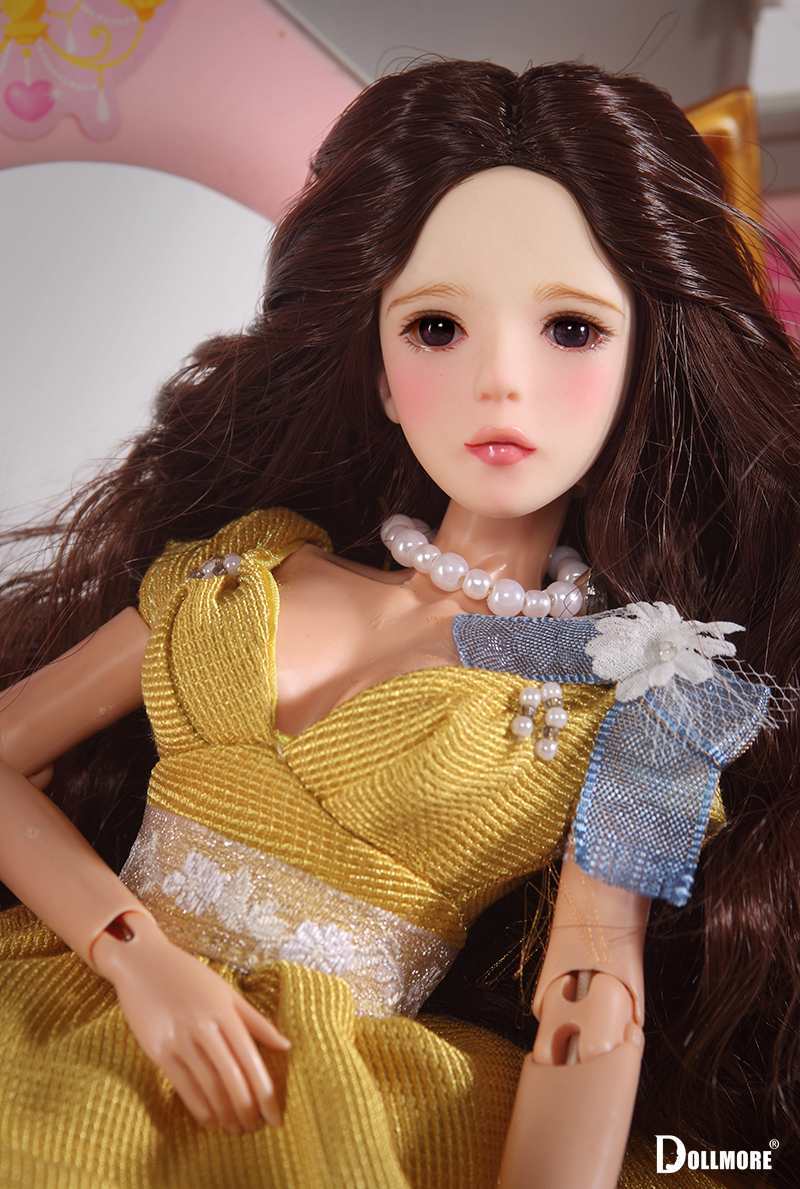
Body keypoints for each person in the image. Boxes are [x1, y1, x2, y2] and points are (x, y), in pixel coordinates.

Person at [0, 56, 798, 1189]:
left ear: (642, 369)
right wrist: (134, 956)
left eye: (571, 330)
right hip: (56, 1009)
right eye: (435, 327)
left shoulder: (645, 691)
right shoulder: (247, 568)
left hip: (315, 1099)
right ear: (377, 368)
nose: (500, 381)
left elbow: (591, 999)